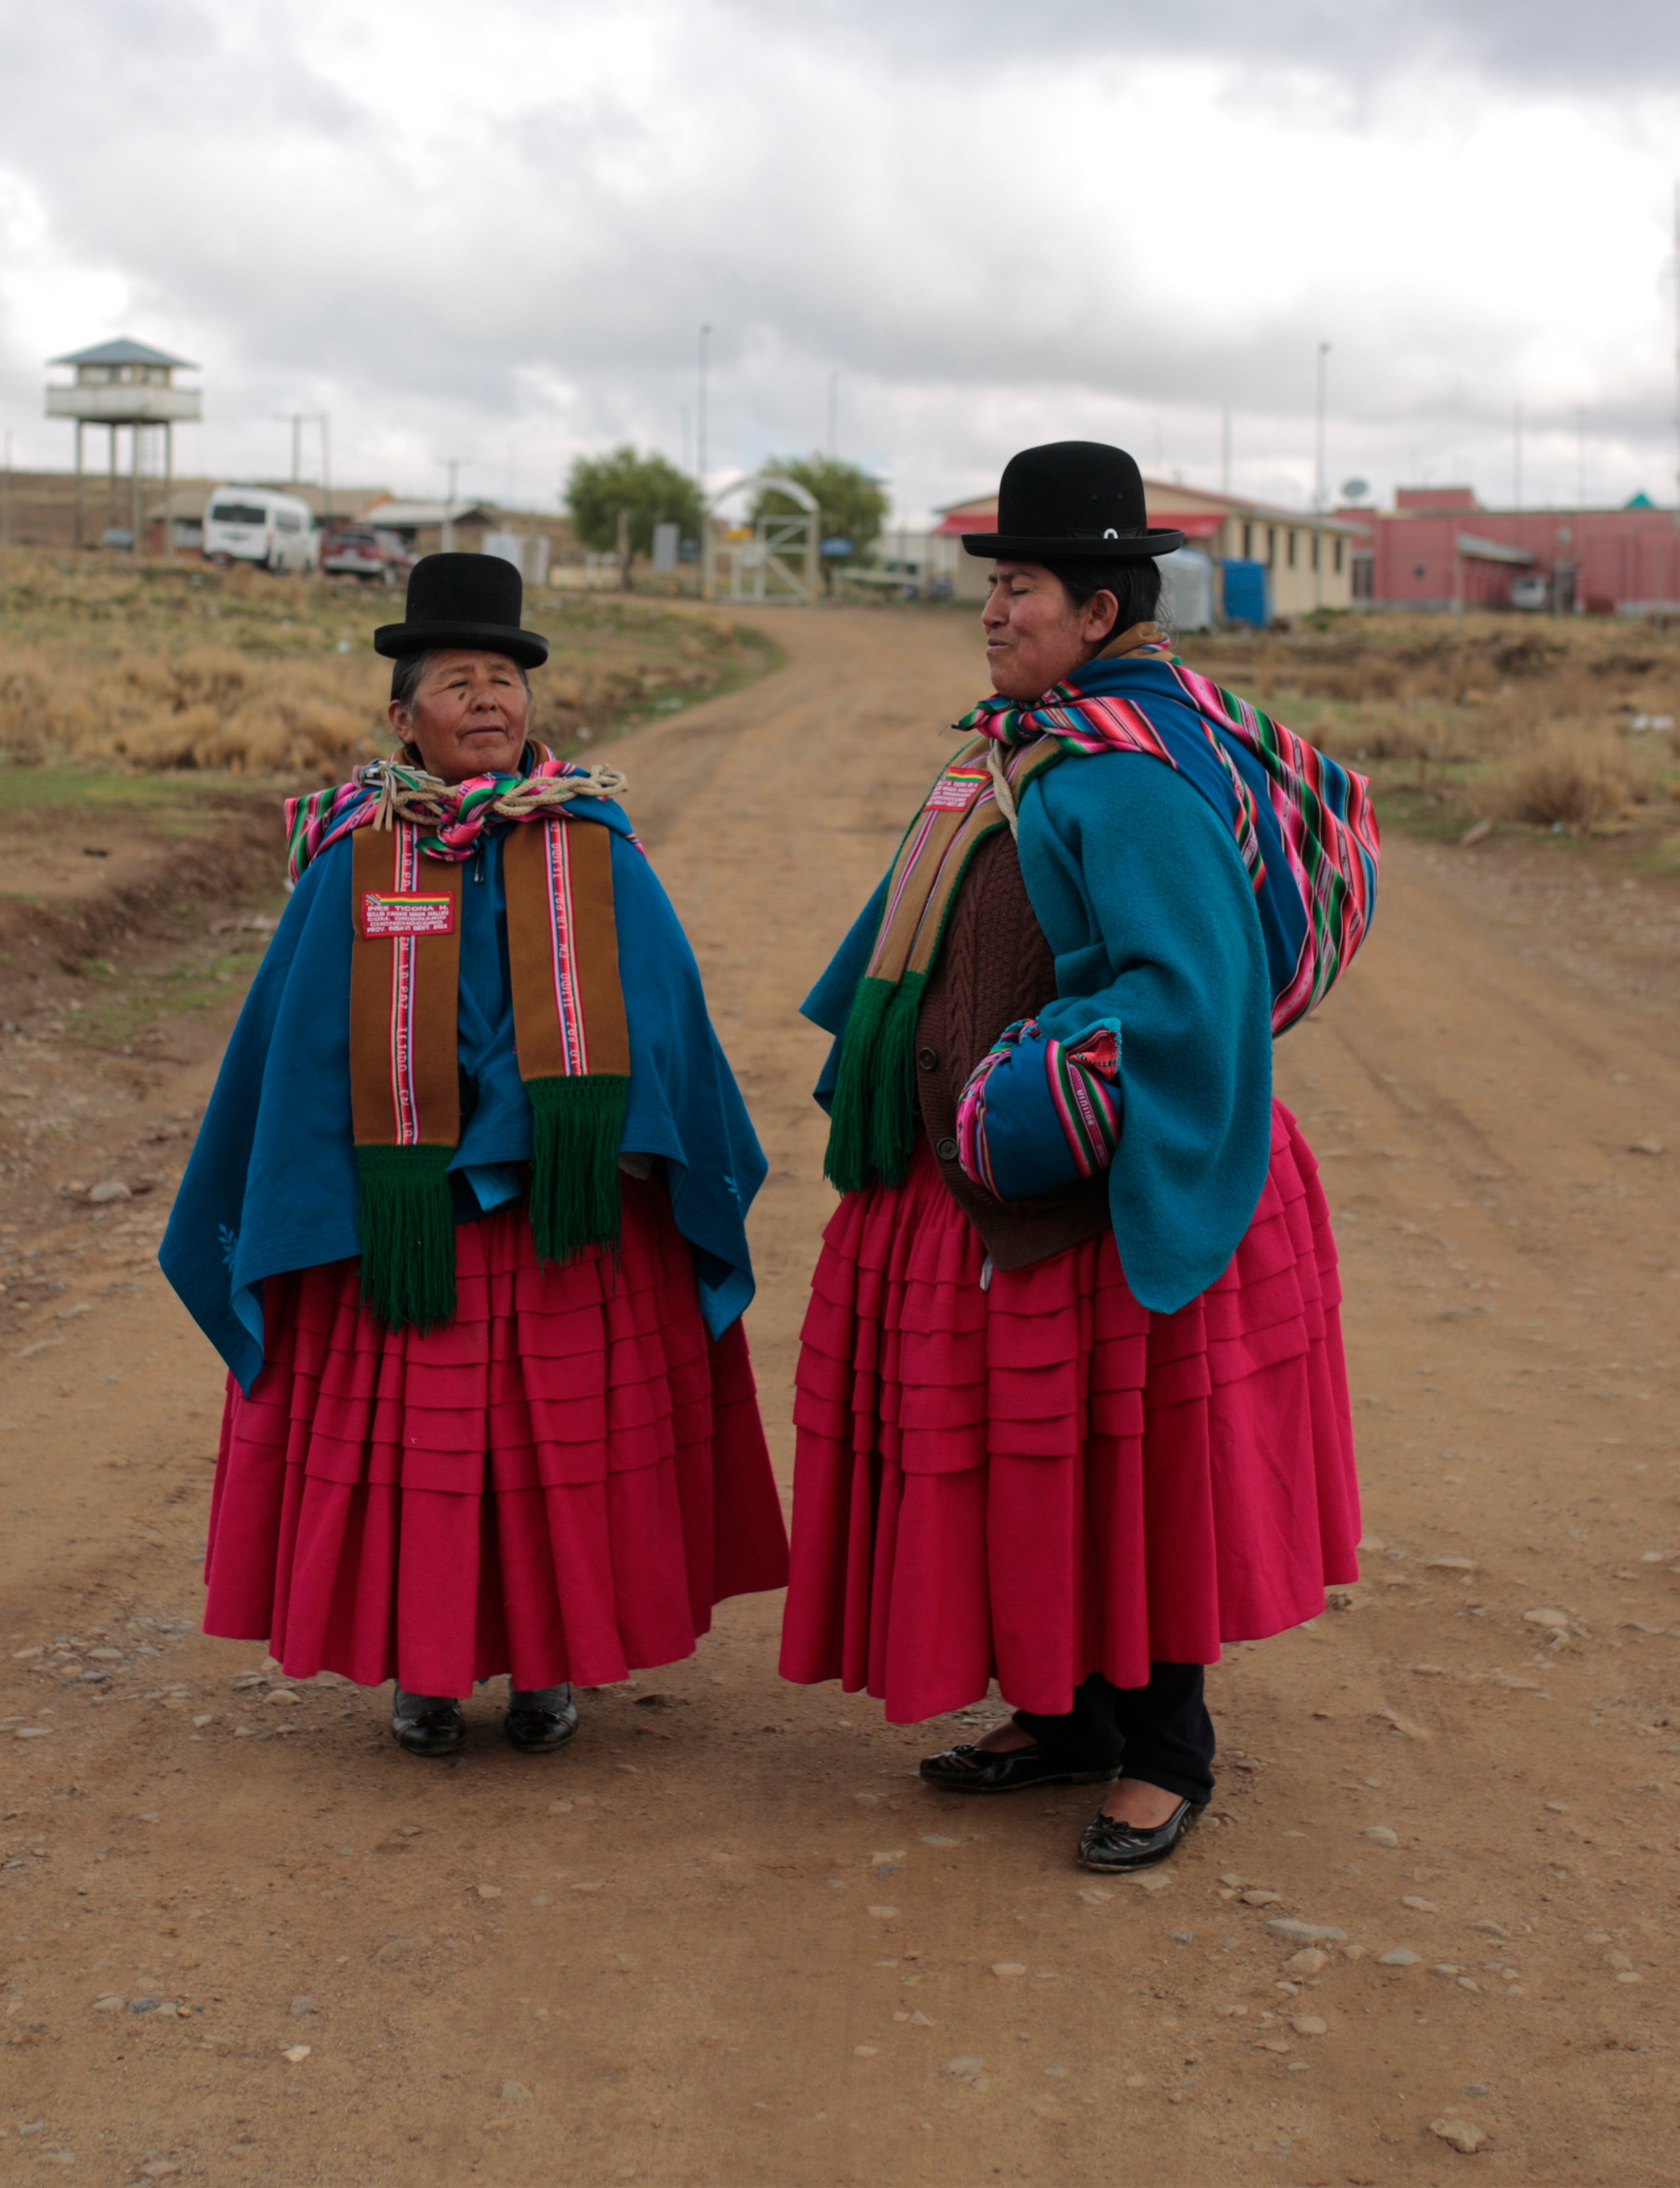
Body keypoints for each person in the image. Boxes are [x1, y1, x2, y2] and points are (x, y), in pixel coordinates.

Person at [777, 439, 1378, 1869]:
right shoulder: (1028, 743)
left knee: (1128, 1471)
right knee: (1034, 1467)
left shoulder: (1134, 775)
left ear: (1100, 612)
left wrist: (1031, 1101)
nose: (992, 612)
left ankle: (1167, 1750)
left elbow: (1189, 1000)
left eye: (1022, 588)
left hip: (1099, 1181)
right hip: (999, 1187)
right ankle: (1065, 1712)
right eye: (990, 585)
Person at [161, 550, 786, 1757]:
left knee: (555, 1448)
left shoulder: (595, 845)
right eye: (460, 681)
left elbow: (662, 1016)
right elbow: (294, 1048)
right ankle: (427, 1674)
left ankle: (547, 1668)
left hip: (567, 1219)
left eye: (506, 678)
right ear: (404, 719)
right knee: (431, 1458)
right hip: (406, 1233)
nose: (491, 701)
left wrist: (558, 1136)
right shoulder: (352, 855)